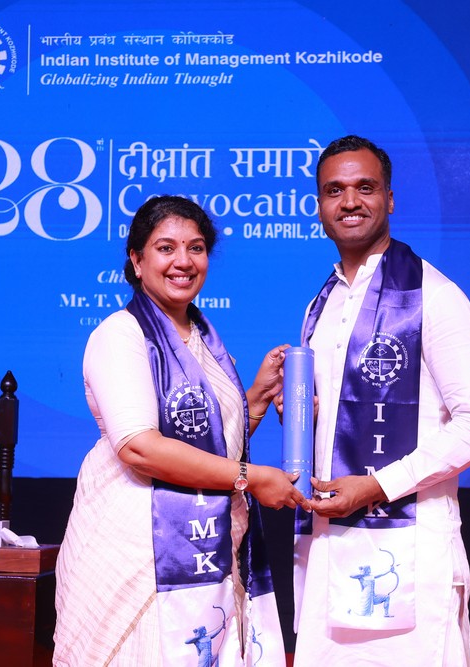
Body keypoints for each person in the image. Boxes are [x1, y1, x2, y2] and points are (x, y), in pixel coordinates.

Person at [54, 195, 308, 666]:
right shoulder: (121, 333)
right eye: (166, 248)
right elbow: (140, 448)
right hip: (132, 546)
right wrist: (251, 478)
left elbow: (208, 443)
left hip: (204, 541)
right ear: (137, 260)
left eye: (196, 248)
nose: (184, 261)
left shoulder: (203, 338)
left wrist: (254, 398)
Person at [290, 135, 470, 666]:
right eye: (334, 190)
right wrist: (304, 412)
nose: (350, 201)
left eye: (365, 187)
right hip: (330, 542)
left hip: (410, 549)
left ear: (389, 199)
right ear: (319, 206)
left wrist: (378, 485)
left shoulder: (435, 295)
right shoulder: (321, 304)